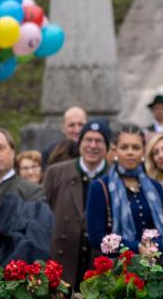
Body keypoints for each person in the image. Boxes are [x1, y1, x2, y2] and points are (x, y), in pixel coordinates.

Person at [86, 124, 163, 258]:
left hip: (154, 266)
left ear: (143, 152)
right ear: (115, 151)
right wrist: (135, 247)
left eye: (136, 147)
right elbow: (97, 238)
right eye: (124, 147)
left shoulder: (156, 187)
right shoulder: (100, 186)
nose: (130, 152)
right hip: (118, 269)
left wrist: (153, 246)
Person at [43, 119, 111, 287]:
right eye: (88, 140)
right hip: (62, 263)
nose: (92, 145)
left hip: (98, 266)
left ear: (107, 146)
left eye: (99, 141)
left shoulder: (114, 177)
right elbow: (43, 216)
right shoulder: (56, 173)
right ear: (80, 142)